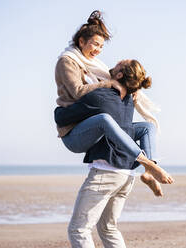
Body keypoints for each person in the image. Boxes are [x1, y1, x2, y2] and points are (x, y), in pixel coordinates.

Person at [54, 10, 171, 195]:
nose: (98, 50)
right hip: (74, 130)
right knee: (104, 119)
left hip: (96, 127)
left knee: (147, 127)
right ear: (81, 41)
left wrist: (131, 90)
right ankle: (145, 162)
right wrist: (110, 84)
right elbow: (77, 92)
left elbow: (115, 83)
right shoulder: (67, 62)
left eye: (101, 46)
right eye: (94, 44)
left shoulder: (95, 66)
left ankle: (149, 171)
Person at [65, 59, 168, 248]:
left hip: (106, 172)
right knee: (108, 228)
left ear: (119, 75)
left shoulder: (102, 96)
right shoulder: (129, 97)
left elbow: (63, 116)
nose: (115, 61)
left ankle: (149, 165)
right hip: (127, 175)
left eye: (120, 63)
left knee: (78, 229)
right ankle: (148, 168)